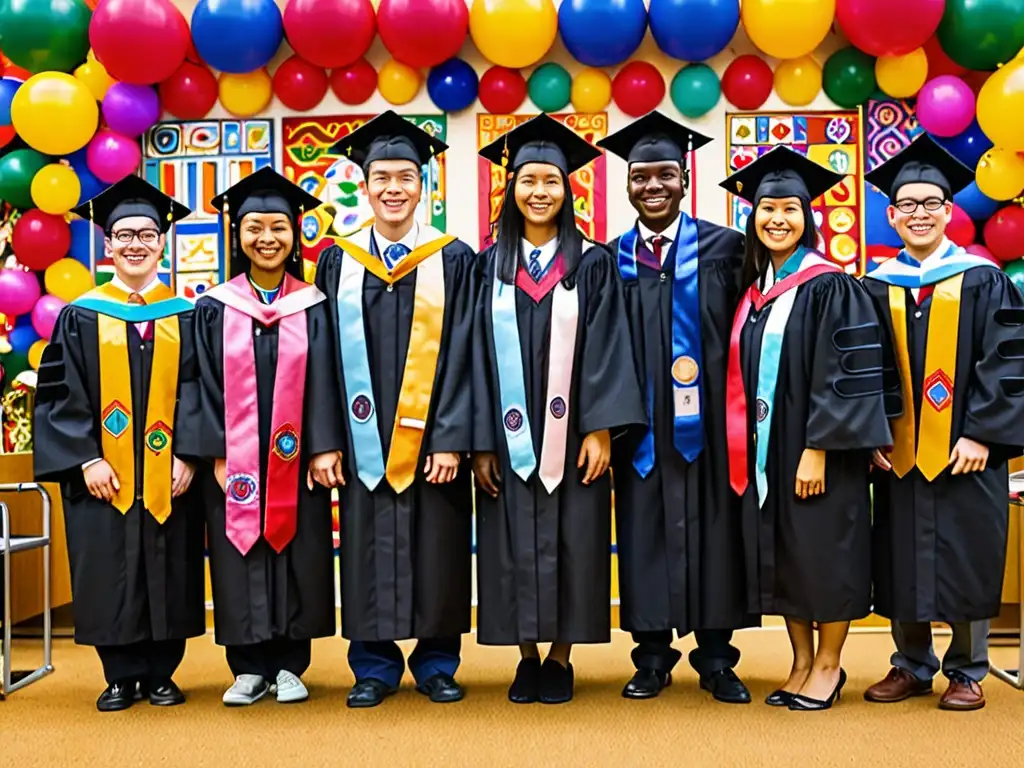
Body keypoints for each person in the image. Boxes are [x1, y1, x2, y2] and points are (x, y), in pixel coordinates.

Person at [473, 114, 646, 704]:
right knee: (511, 542)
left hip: (572, 440)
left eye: (551, 180)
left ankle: (562, 656)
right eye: (528, 180)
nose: (539, 191)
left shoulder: (592, 263)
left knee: (575, 537)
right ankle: (526, 656)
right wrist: (477, 442)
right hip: (506, 438)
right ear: (511, 189)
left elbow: (609, 346)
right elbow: (469, 360)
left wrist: (600, 430)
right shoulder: (487, 266)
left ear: (567, 189)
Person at [719, 147, 892, 710]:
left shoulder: (830, 286)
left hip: (820, 449)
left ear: (807, 217)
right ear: (753, 216)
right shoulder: (754, 294)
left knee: (826, 555)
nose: (777, 219)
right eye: (767, 208)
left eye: (789, 209)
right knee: (787, 554)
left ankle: (829, 664)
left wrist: (818, 448)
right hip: (769, 453)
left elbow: (846, 373)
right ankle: (798, 661)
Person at [315, 111, 477, 708]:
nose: (393, 188)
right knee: (365, 546)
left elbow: (469, 350)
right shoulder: (338, 261)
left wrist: (452, 435)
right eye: (381, 176)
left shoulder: (453, 259)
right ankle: (374, 665)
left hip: (432, 440)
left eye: (406, 176)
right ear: (364, 184)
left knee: (439, 544)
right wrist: (326, 438)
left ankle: (437, 661)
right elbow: (322, 357)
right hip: (362, 444)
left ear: (423, 185)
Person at [861, 135, 1024, 711]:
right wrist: (870, 432)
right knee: (901, 553)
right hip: (899, 450)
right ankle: (910, 664)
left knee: (968, 550)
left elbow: (1006, 360)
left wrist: (984, 432)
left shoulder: (983, 280)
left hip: (967, 449)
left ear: (949, 211)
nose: (920, 214)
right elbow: (861, 367)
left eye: (931, 203)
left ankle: (967, 668)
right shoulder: (876, 286)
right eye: (909, 205)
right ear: (892, 215)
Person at [598, 111, 755, 704]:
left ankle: (718, 658)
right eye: (641, 176)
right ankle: (652, 657)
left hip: (711, 425)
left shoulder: (727, 248)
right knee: (644, 536)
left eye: (666, 173)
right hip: (640, 429)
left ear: (685, 178)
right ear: (628, 184)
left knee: (716, 535)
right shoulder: (611, 260)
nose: (653, 186)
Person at [33, 176, 205, 711]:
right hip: (101, 477)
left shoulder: (186, 314)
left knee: (169, 565)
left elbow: (205, 390)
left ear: (162, 243)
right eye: (124, 234)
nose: (135, 243)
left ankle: (160, 674)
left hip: (168, 475)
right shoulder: (79, 316)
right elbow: (60, 394)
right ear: (107, 245)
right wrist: (84, 457)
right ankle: (118, 676)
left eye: (147, 234)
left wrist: (190, 455)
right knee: (107, 566)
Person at [190, 167, 343, 706]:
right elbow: (198, 381)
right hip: (232, 462)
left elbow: (329, 379)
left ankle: (290, 664)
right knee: (239, 552)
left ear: (295, 233)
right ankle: (248, 667)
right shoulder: (213, 307)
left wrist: (325, 445)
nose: (267, 238)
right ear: (238, 235)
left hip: (297, 462)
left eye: (278, 226)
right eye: (254, 226)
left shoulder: (314, 305)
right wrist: (213, 449)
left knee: (296, 549)